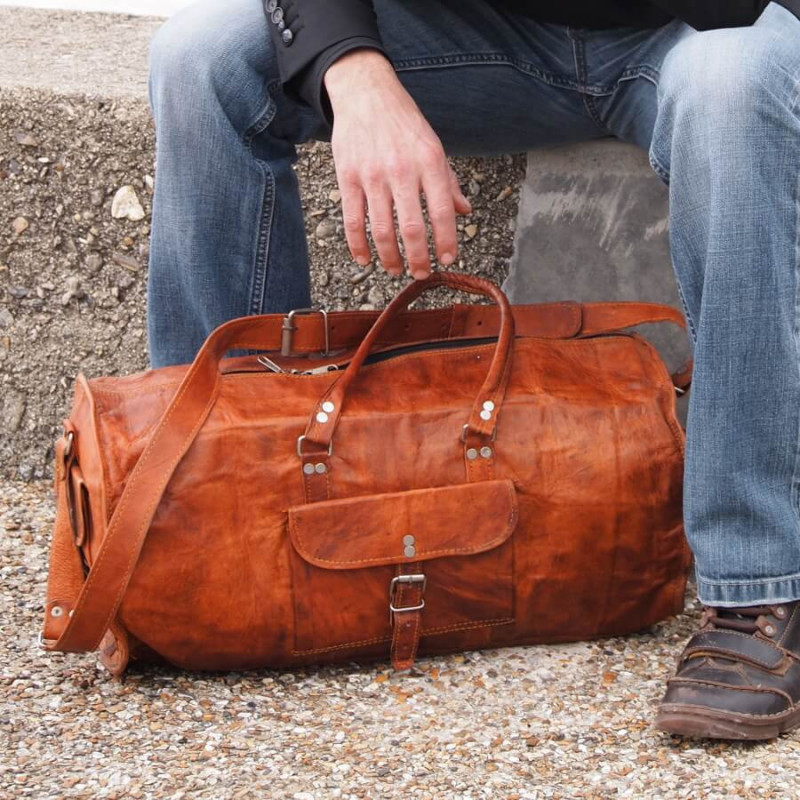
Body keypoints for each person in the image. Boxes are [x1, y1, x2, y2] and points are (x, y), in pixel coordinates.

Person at [147, 0, 800, 740]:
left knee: (738, 89)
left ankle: (761, 585)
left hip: (705, 31)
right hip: (479, 31)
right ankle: (207, 524)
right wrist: (352, 69)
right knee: (201, 57)